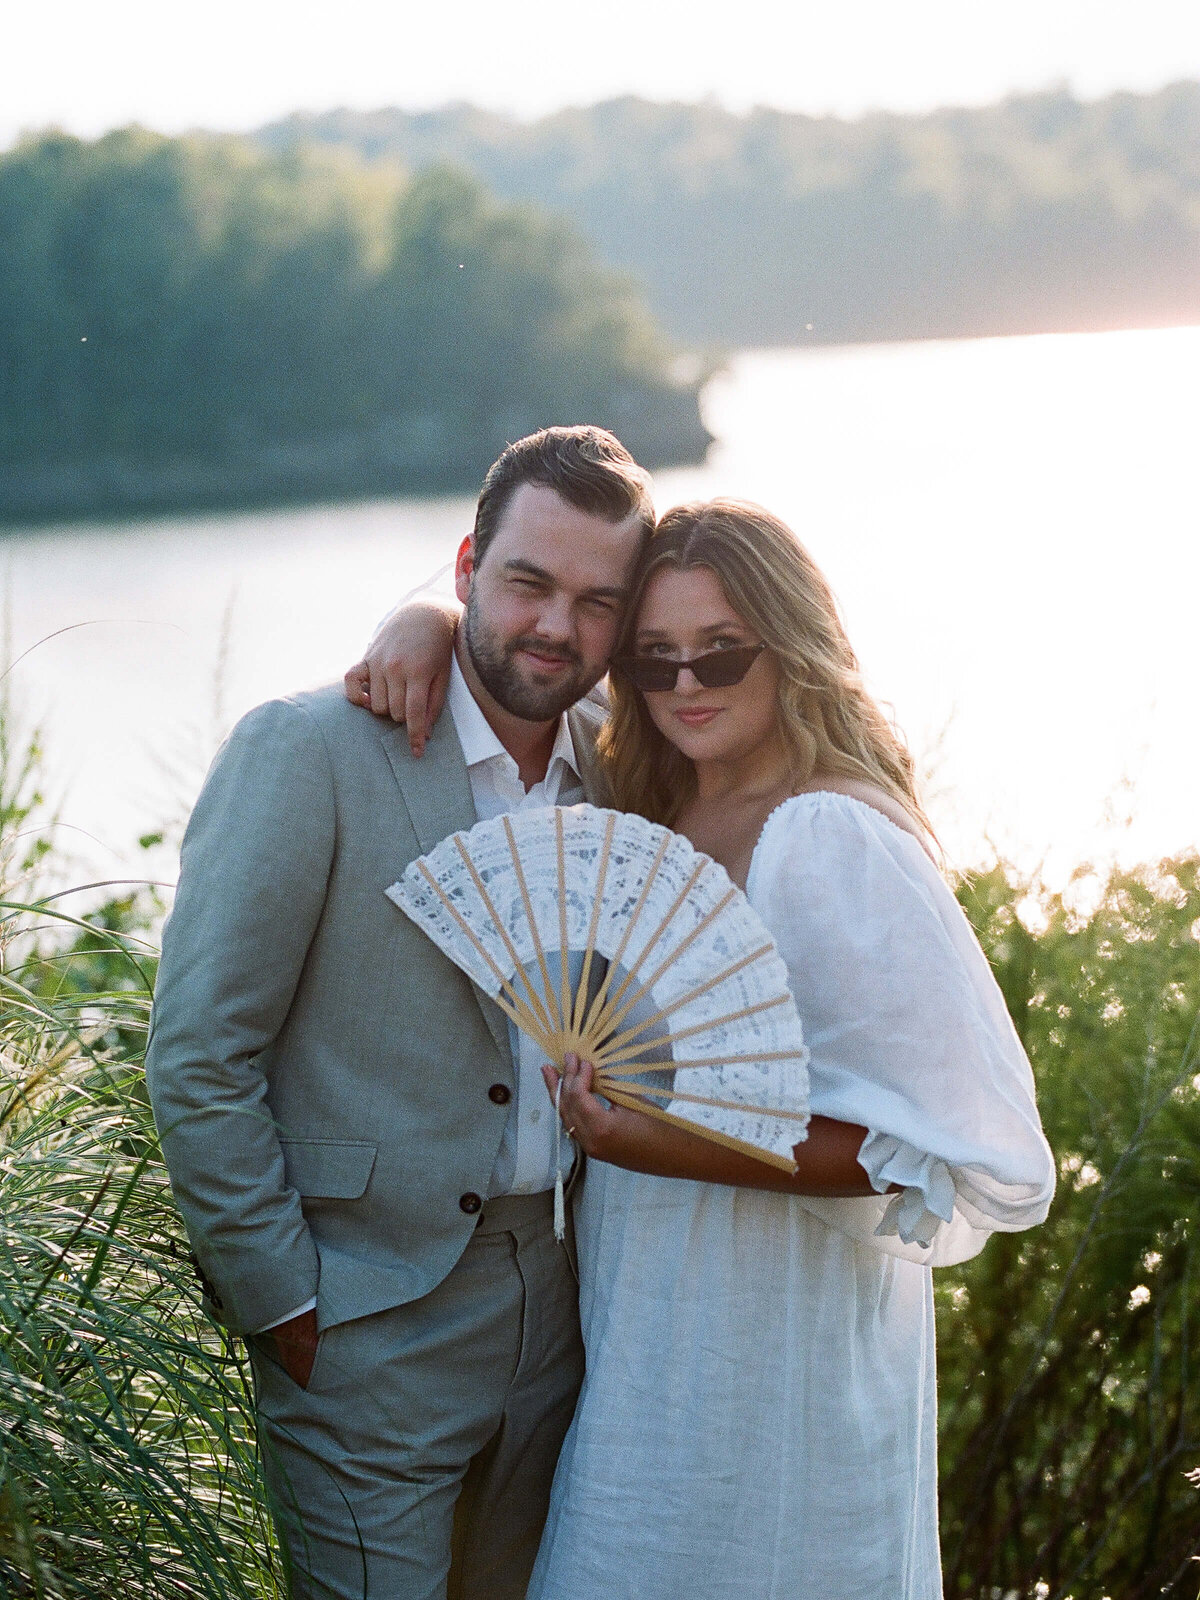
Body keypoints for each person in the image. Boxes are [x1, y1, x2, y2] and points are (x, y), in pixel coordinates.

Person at [349, 497, 1056, 1599]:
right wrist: (429, 618)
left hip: (777, 1376)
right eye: (654, 658)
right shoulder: (647, 802)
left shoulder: (828, 836)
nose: (686, 687)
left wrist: (655, 1142)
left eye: (721, 654)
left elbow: (934, 1151)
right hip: (647, 1358)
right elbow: (523, 635)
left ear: (794, 643)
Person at [145, 425, 655, 1600]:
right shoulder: (310, 751)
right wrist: (289, 1300)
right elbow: (200, 1052)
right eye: (528, 582)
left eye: (596, 601)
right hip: (364, 1313)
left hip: (567, 1313)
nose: (555, 627)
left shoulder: (617, 768)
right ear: (467, 567)